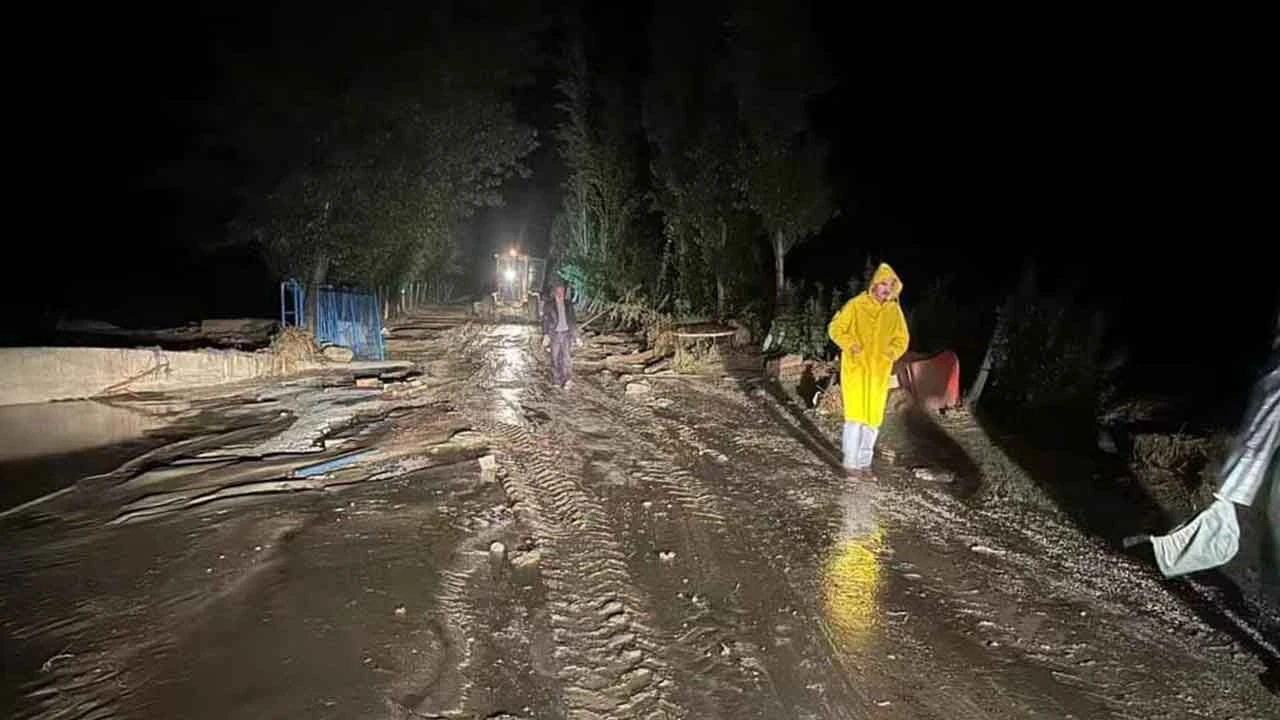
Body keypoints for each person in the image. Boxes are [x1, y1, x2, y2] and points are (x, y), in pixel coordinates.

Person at [827, 263, 910, 477]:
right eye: (883, 284)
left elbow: (902, 339)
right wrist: (850, 344)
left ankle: (864, 463)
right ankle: (850, 463)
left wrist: (891, 353)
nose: (885, 289)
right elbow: (835, 328)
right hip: (856, 370)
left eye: (889, 286)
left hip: (878, 373)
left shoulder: (894, 311)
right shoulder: (855, 305)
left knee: (872, 419)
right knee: (855, 417)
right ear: (874, 284)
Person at [541, 278, 582, 389]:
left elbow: (573, 322)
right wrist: (545, 335)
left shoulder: (569, 305)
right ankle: (557, 381)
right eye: (558, 292)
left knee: (566, 358)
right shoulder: (548, 305)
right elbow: (545, 321)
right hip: (554, 335)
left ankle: (568, 380)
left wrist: (577, 337)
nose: (561, 294)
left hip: (566, 335)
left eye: (562, 292)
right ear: (555, 292)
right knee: (554, 358)